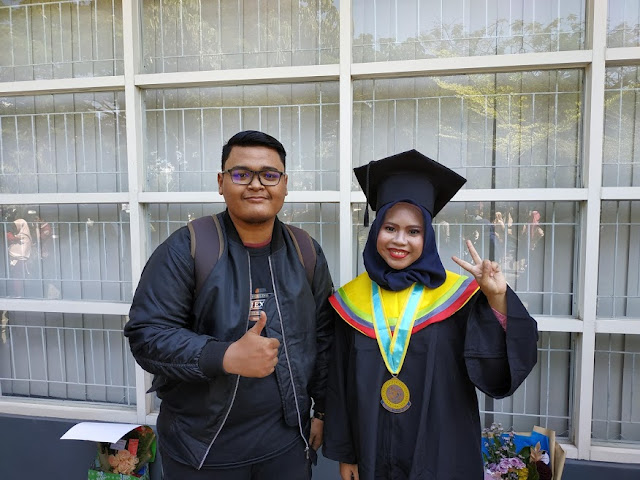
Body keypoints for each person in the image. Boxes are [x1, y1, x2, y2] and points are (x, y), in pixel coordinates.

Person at [124, 130, 334, 479]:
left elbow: (324, 338)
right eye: (241, 174)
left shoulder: (305, 251)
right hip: (202, 448)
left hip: (287, 445)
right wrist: (223, 355)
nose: (256, 184)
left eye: (269, 175)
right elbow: (147, 335)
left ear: (284, 185)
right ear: (221, 183)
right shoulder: (189, 247)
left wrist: (322, 411)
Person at [323, 149, 538, 480]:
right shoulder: (350, 300)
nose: (400, 240)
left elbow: (496, 369)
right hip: (370, 448)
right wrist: (346, 453)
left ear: (428, 236)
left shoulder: (459, 297)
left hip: (442, 450)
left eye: (414, 231)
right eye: (390, 228)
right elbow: (339, 384)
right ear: (376, 230)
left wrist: (496, 297)